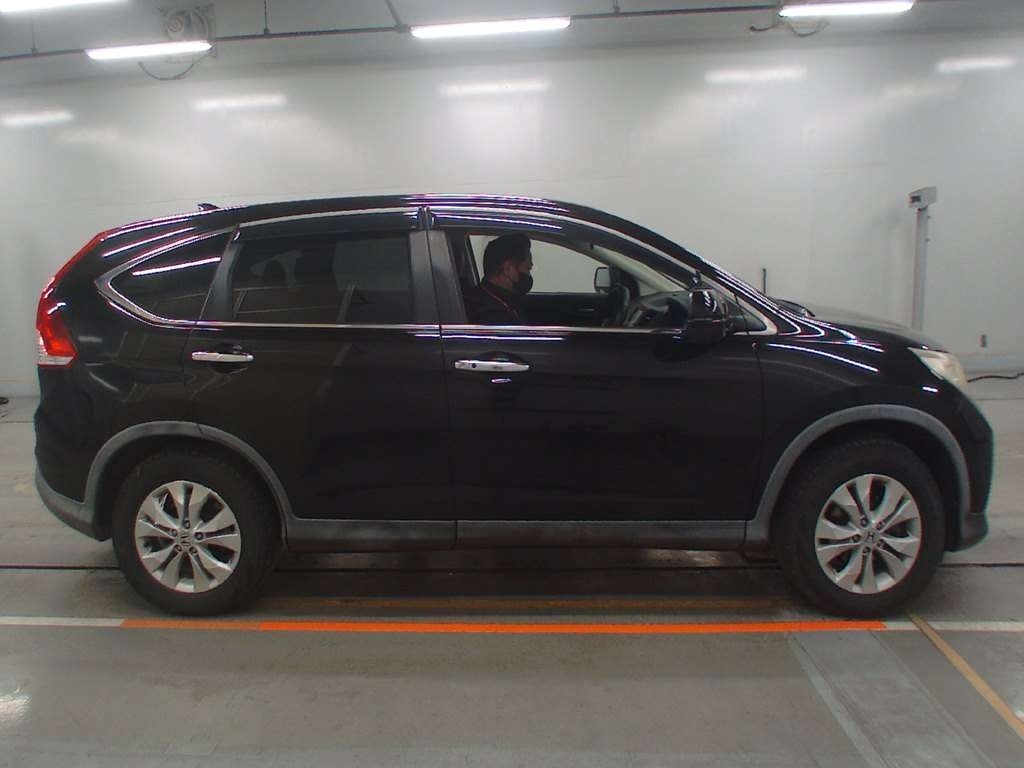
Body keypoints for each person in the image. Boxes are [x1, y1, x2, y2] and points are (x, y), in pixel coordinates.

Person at [464, 234, 534, 324]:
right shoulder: (491, 315)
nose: (528, 275)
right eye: (527, 269)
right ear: (508, 269)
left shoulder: (503, 299)